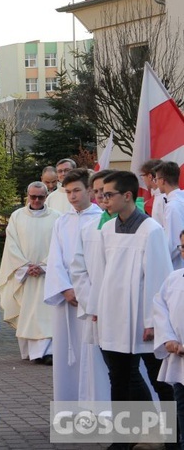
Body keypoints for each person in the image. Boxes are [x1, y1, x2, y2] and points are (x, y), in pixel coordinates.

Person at [85, 171, 174, 415]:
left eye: (109, 195)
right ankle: (124, 439)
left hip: (142, 320)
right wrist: (96, 309)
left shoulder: (151, 230)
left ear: (127, 196)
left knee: (161, 381)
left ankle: (174, 439)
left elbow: (159, 278)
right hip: (113, 315)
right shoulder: (108, 228)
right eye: (101, 194)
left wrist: (153, 321)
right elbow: (100, 273)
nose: (103, 199)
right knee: (119, 380)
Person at [43, 168, 104, 402]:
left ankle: (97, 403)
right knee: (67, 354)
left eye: (77, 190)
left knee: (93, 354)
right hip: (67, 298)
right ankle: (69, 407)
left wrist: (85, 291)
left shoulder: (101, 219)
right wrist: (65, 288)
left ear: (90, 190)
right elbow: (55, 257)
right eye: (68, 192)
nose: (72, 196)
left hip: (90, 299)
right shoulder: (62, 222)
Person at [0, 182, 59, 364]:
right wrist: (25, 266)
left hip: (47, 274)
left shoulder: (57, 217)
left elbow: (60, 244)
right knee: (28, 314)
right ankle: (31, 352)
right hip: (24, 275)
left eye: (41, 196)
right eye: (33, 196)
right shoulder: (17, 216)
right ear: (27, 196)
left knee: (46, 314)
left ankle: (48, 352)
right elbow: (11, 245)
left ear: (46, 196)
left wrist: (44, 265)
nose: (37, 200)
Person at [153, 229, 184, 448]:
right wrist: (169, 339)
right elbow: (160, 308)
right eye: (183, 247)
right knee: (181, 407)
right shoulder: (174, 279)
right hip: (180, 361)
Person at [154, 161, 184, 270]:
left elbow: (174, 242)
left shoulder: (173, 206)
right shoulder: (179, 200)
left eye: (156, 179)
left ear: (162, 181)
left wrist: (160, 262)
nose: (156, 183)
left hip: (177, 266)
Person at [140, 159, 165, 225]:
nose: (143, 180)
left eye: (143, 176)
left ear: (150, 176)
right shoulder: (158, 195)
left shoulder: (163, 197)